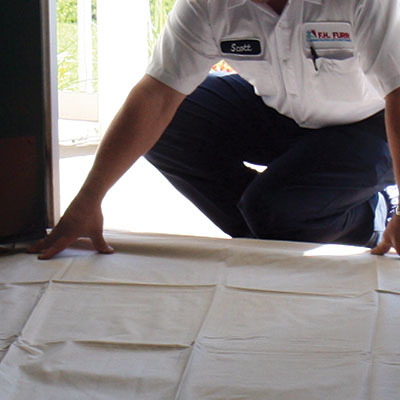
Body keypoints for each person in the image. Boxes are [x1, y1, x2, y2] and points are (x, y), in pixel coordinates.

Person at [29, 0, 400, 259]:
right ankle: (269, 227)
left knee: (274, 210)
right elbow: (157, 94)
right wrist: (88, 199)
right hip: (282, 110)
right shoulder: (206, 4)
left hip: (371, 122)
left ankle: (375, 211)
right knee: (173, 121)